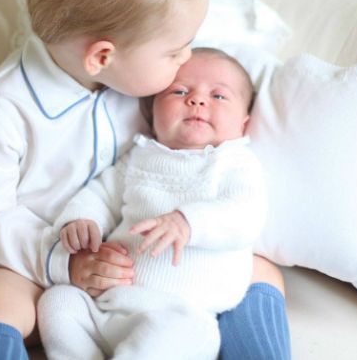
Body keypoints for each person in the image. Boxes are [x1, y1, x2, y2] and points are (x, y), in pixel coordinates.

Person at [0, 0, 291, 360]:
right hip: (36, 263)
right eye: (174, 52)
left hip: (148, 261)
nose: (185, 59)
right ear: (102, 57)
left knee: (261, 270)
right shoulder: (5, 105)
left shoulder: (144, 73)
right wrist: (64, 261)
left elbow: (218, 36)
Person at [38, 48, 267, 360]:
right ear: (151, 110)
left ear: (244, 124)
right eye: (180, 91)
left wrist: (188, 222)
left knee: (190, 332)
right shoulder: (140, 156)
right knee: (58, 301)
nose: (197, 100)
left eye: (219, 96)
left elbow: (247, 215)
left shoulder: (235, 163)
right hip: (109, 303)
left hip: (183, 312)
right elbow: (101, 194)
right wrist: (81, 220)